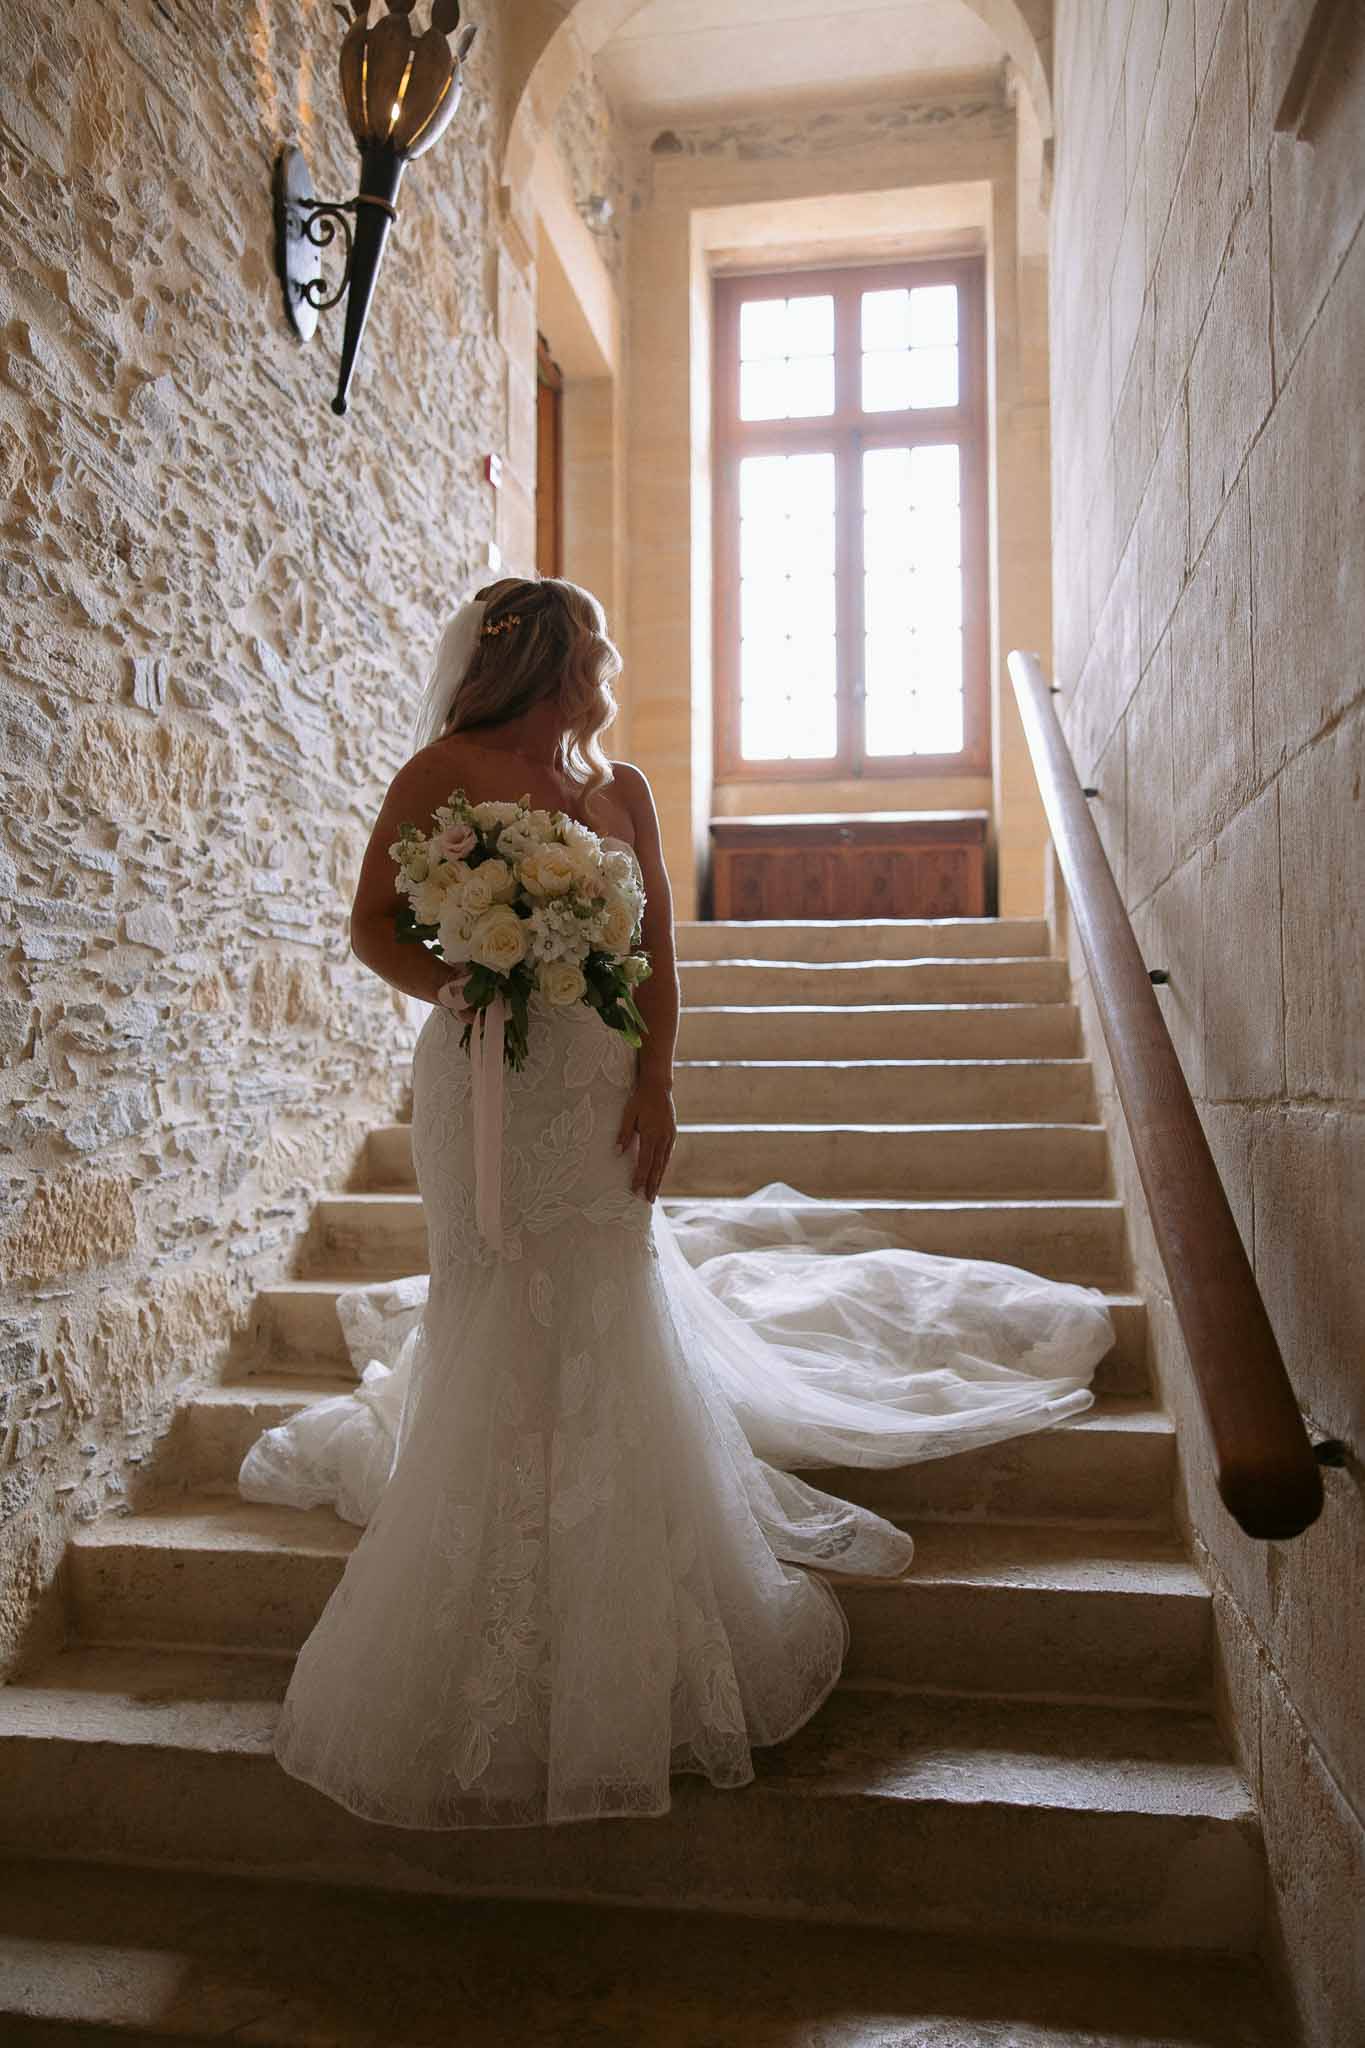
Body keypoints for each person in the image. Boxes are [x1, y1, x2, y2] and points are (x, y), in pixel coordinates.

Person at [240, 575, 1115, 1830]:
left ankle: (619, 1607)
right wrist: (464, 982)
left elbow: (656, 955)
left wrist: (657, 1082)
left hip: (595, 1100)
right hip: (487, 1089)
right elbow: (372, 923)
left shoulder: (623, 794)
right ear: (544, 662)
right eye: (590, 652)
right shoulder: (443, 772)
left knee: (604, 1309)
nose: (606, 672)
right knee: (495, 1303)